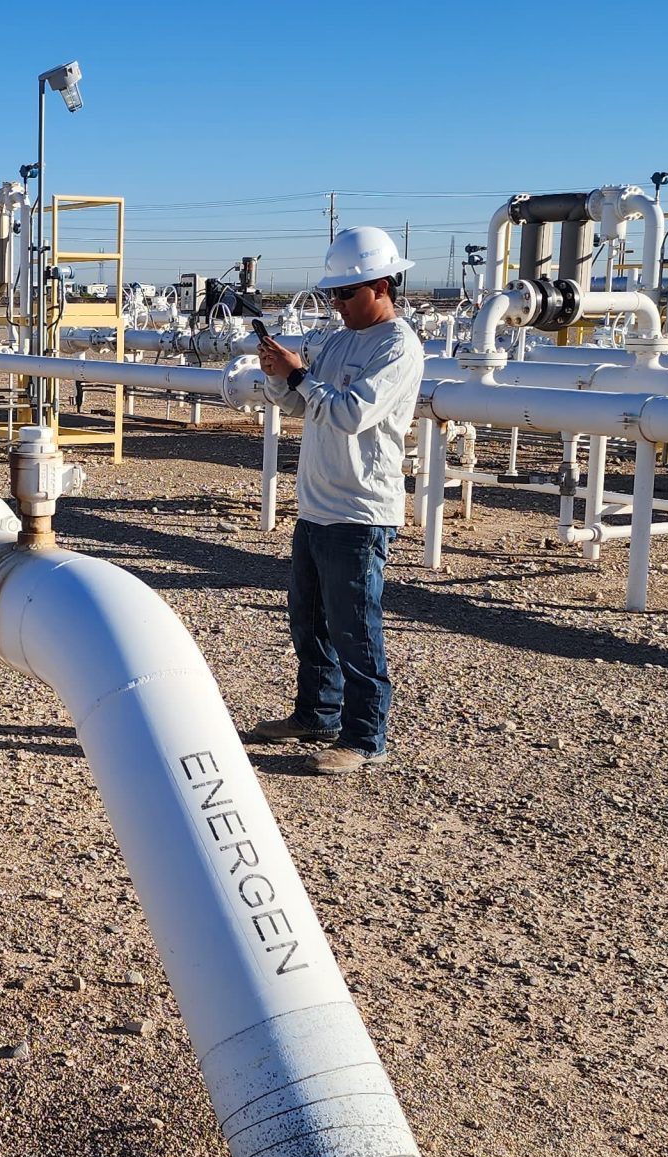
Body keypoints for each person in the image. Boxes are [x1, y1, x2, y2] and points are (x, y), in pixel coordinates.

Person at [244, 227, 424, 775]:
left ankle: (366, 736)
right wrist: (279, 377)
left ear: (381, 286)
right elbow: (305, 406)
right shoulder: (342, 341)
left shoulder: (398, 347)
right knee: (310, 620)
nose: (337, 304)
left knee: (355, 628)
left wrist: (299, 374)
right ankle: (317, 713)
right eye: (332, 294)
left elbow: (348, 413)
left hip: (360, 510)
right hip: (318, 505)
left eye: (345, 293)